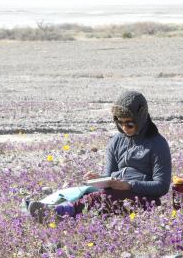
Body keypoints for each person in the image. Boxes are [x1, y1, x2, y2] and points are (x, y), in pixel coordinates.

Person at [28, 90, 172, 222]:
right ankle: (52, 209)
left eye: (129, 124)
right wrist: (100, 179)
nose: (124, 128)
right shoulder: (116, 141)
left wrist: (129, 185)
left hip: (143, 200)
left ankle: (60, 214)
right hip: (114, 194)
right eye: (120, 123)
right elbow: (109, 177)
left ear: (140, 118)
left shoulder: (158, 144)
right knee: (86, 193)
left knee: (103, 198)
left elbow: (161, 186)